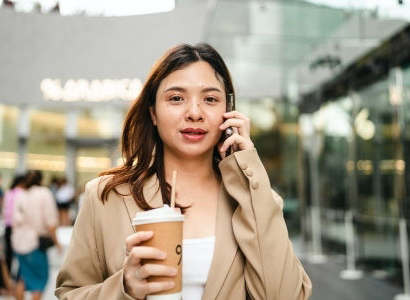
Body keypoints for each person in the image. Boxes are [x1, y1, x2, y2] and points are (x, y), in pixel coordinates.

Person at [55, 43, 312, 300]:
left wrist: (249, 169)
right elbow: (70, 292)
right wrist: (125, 288)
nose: (194, 113)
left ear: (229, 111)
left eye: (210, 99)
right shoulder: (105, 196)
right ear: (153, 112)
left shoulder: (256, 200)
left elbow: (287, 295)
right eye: (176, 98)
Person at [12, 170, 61, 300]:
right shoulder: (44, 193)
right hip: (35, 243)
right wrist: (57, 243)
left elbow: (15, 220)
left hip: (19, 242)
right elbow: (50, 221)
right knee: (40, 279)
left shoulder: (21, 194)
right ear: (40, 180)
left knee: (22, 277)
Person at [2, 173, 25, 272]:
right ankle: (19, 277)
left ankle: (7, 274)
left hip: (7, 225)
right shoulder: (22, 193)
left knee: (8, 252)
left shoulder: (8, 192)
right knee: (20, 252)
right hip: (17, 226)